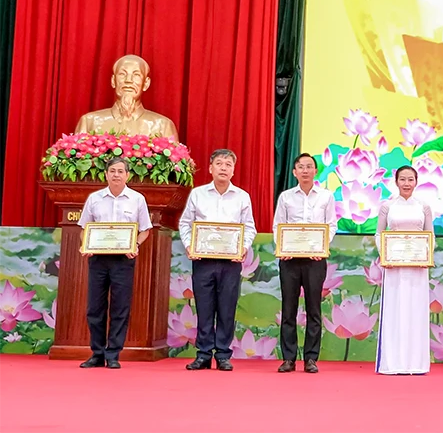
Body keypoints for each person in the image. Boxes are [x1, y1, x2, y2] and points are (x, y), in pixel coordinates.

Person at [178, 149, 256, 371]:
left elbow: (249, 227)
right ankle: (203, 354)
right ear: (211, 168)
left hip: (230, 262)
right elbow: (185, 223)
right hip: (203, 259)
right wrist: (189, 246)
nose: (223, 168)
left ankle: (223, 354)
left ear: (233, 170)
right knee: (204, 307)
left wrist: (243, 248)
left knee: (226, 308)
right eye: (219, 163)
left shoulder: (242, 196)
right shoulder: (198, 194)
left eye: (228, 164)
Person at [77, 157, 152, 369]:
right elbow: (84, 228)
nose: (116, 175)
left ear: (127, 175)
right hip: (98, 259)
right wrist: (86, 245)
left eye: (120, 171)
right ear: (106, 174)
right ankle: (97, 353)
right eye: (112, 171)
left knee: (120, 307)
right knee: (95, 307)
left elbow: (145, 230)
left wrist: (135, 244)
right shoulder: (95, 198)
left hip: (123, 260)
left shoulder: (137, 199)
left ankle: (113, 354)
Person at [274, 153, 336, 373]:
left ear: (315, 171)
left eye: (309, 166)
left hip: (315, 261)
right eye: (301, 167)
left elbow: (331, 225)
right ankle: (288, 358)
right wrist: (282, 248)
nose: (305, 170)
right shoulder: (286, 197)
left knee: (314, 309)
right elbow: (278, 225)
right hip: (290, 260)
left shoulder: (326, 197)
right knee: (288, 309)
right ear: (294, 172)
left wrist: (322, 247)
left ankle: (311, 358)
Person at [374, 165, 434, 374]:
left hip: (418, 266)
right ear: (396, 181)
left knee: (416, 311)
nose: (406, 183)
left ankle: (416, 363)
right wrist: (385, 256)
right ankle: (393, 362)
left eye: (410, 179)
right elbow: (379, 234)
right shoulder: (387, 206)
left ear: (416, 182)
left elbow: (430, 235)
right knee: (395, 310)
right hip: (394, 266)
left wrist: (426, 256)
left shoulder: (424, 206)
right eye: (403, 179)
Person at [75, 54, 178, 138]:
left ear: (146, 83)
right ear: (113, 81)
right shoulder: (89, 122)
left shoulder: (163, 125)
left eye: (136, 75)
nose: (128, 80)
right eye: (122, 74)